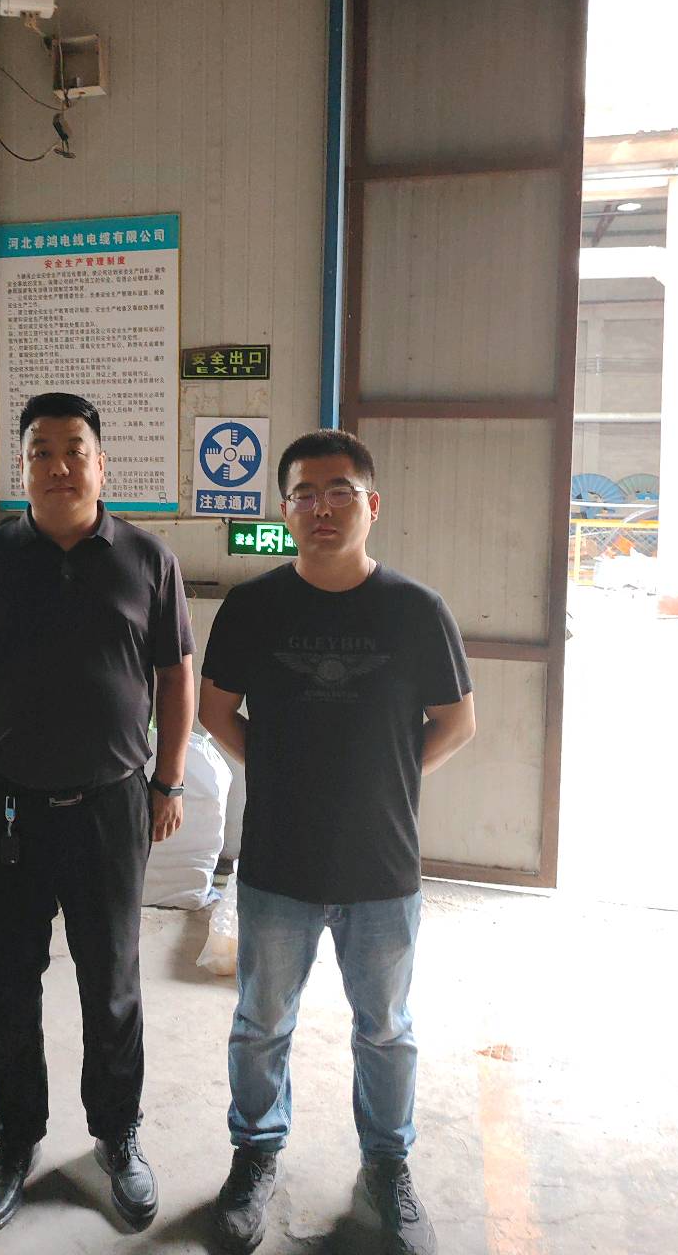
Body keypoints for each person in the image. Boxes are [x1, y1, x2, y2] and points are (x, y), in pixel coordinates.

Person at [199, 428, 475, 1255]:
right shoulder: (253, 607)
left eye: (340, 492)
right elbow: (215, 711)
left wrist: (390, 778)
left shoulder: (416, 610)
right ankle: (255, 1154)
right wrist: (274, 769)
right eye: (305, 494)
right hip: (277, 861)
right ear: (284, 510)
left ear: (372, 504)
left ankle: (387, 1167)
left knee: (385, 1028)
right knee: (260, 1022)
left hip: (381, 865)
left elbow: (457, 722)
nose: (322, 508)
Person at [0, 392, 195, 1237]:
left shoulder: (147, 559)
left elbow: (177, 675)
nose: (58, 465)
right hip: (5, 809)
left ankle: (117, 1136)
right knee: (10, 985)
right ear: (23, 468)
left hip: (111, 809)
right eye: (40, 451)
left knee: (111, 982)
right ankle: (16, 1140)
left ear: (101, 464)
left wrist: (169, 782)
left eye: (74, 449)